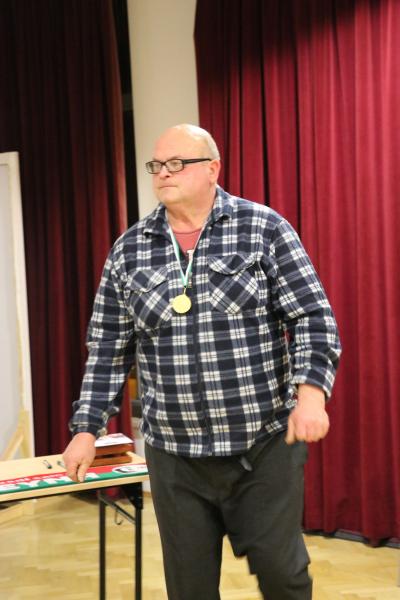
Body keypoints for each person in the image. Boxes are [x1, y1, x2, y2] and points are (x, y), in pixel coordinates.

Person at [63, 124, 341, 600]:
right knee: (189, 588)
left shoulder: (263, 229)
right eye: (156, 165)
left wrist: (310, 395)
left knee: (283, 575)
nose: (163, 173)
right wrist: (86, 429)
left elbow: (313, 317)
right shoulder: (129, 250)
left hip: (262, 448)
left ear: (212, 168)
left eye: (177, 163)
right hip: (176, 457)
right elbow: (107, 347)